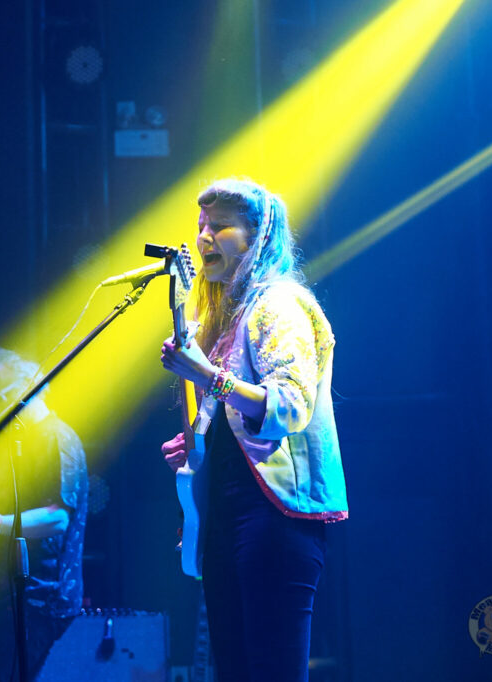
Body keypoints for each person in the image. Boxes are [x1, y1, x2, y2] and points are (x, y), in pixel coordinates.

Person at [159, 178, 348, 682]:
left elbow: (288, 406)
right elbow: (235, 410)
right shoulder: (224, 317)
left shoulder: (279, 304)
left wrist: (207, 377)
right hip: (228, 515)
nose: (203, 238)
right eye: (201, 226)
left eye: (220, 226)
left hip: (275, 514)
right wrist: (201, 441)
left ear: (257, 236)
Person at [0, 348, 88, 682]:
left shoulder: (58, 438)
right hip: (14, 596)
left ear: (21, 390)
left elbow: (58, 518)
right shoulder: (15, 447)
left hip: (42, 598)